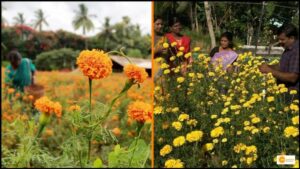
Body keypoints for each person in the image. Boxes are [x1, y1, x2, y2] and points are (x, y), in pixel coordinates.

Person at [259, 24, 299, 99]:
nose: (279, 42)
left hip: (293, 96)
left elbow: (292, 77)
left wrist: (269, 70)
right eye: (279, 39)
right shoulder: (288, 49)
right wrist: (268, 67)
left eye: (282, 39)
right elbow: (282, 66)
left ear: (292, 38)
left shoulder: (296, 51)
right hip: (285, 93)